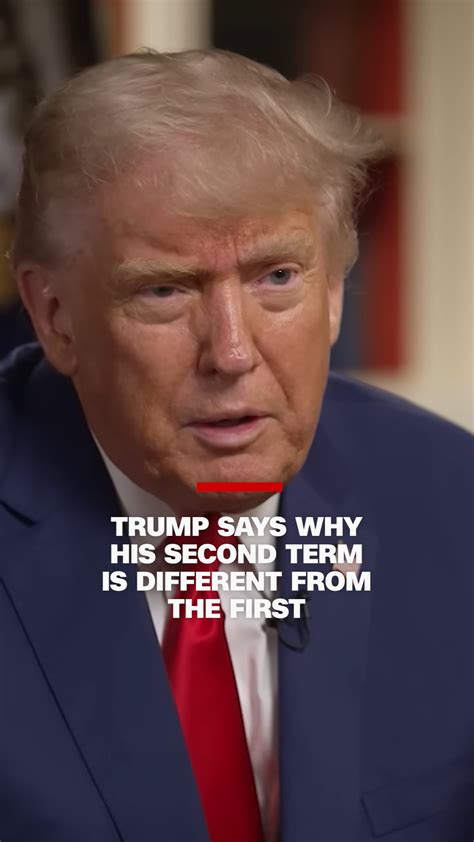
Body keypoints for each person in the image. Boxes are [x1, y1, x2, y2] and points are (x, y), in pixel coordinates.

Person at [0, 49, 472, 842]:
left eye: (276, 278)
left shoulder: (453, 503)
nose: (232, 353)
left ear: (333, 292)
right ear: (54, 316)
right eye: (164, 290)